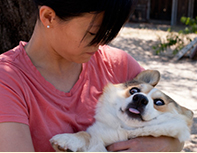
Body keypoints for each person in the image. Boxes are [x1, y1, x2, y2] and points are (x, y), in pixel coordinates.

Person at [0, 0, 184, 152]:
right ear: (49, 16)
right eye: (93, 34)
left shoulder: (119, 66)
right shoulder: (7, 80)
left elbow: (173, 126)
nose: (101, 43)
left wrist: (168, 145)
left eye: (107, 34)